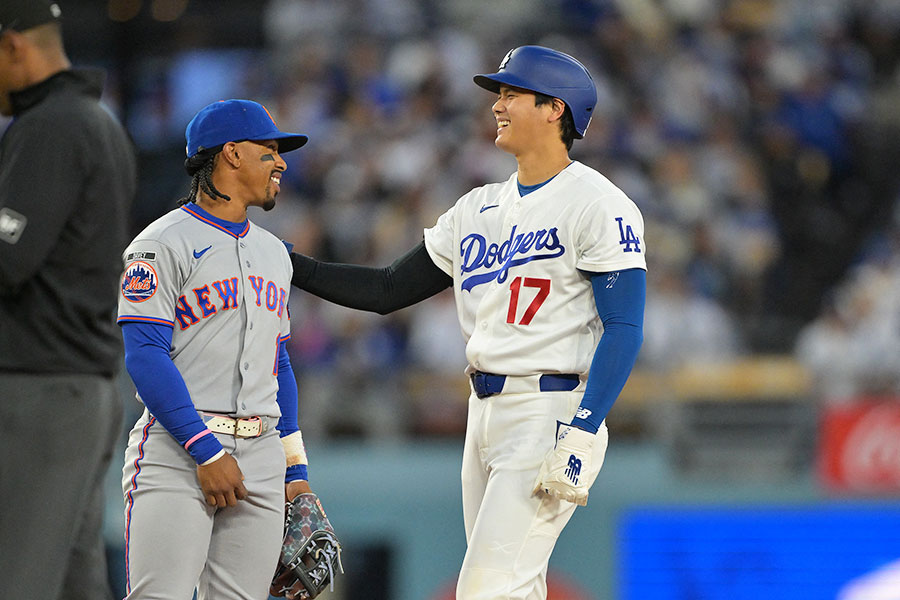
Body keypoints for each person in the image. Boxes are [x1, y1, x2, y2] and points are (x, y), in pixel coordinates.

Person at [287, 45, 647, 599]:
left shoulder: (600, 203)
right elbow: (387, 289)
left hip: (548, 409)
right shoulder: (477, 207)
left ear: (556, 109)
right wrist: (292, 266)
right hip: (482, 413)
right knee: (511, 590)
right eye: (498, 94)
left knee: (484, 589)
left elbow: (623, 326)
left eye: (512, 94)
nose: (497, 105)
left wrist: (585, 426)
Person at [116, 99, 312, 599]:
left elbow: (278, 363)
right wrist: (205, 451)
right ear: (231, 154)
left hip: (263, 452)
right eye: (268, 151)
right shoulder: (160, 243)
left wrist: (295, 468)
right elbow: (144, 355)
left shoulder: (274, 252)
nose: (281, 162)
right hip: (180, 450)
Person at [0, 1, 137, 599]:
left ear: (12, 47)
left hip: (44, 388)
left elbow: (9, 258)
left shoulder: (52, 125)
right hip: (82, 385)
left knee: (19, 583)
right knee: (75, 586)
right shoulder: (97, 122)